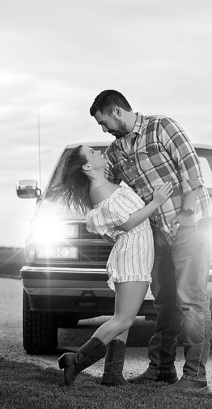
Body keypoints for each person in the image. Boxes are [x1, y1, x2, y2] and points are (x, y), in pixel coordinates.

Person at [90, 90, 212, 391]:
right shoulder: (117, 150)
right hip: (157, 232)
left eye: (104, 122)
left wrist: (186, 216)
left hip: (190, 225)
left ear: (117, 111)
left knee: (191, 301)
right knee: (165, 303)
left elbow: (192, 173)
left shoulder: (161, 127)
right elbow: (98, 179)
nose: (104, 129)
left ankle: (196, 377)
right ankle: (161, 369)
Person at [47, 145, 172, 386]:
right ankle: (76, 361)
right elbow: (126, 224)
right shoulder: (100, 190)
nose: (97, 151)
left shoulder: (106, 186)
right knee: (124, 320)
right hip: (132, 255)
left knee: (122, 318)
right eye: (91, 152)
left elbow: (111, 228)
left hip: (135, 252)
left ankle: (112, 374)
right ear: (86, 166)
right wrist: (157, 202)